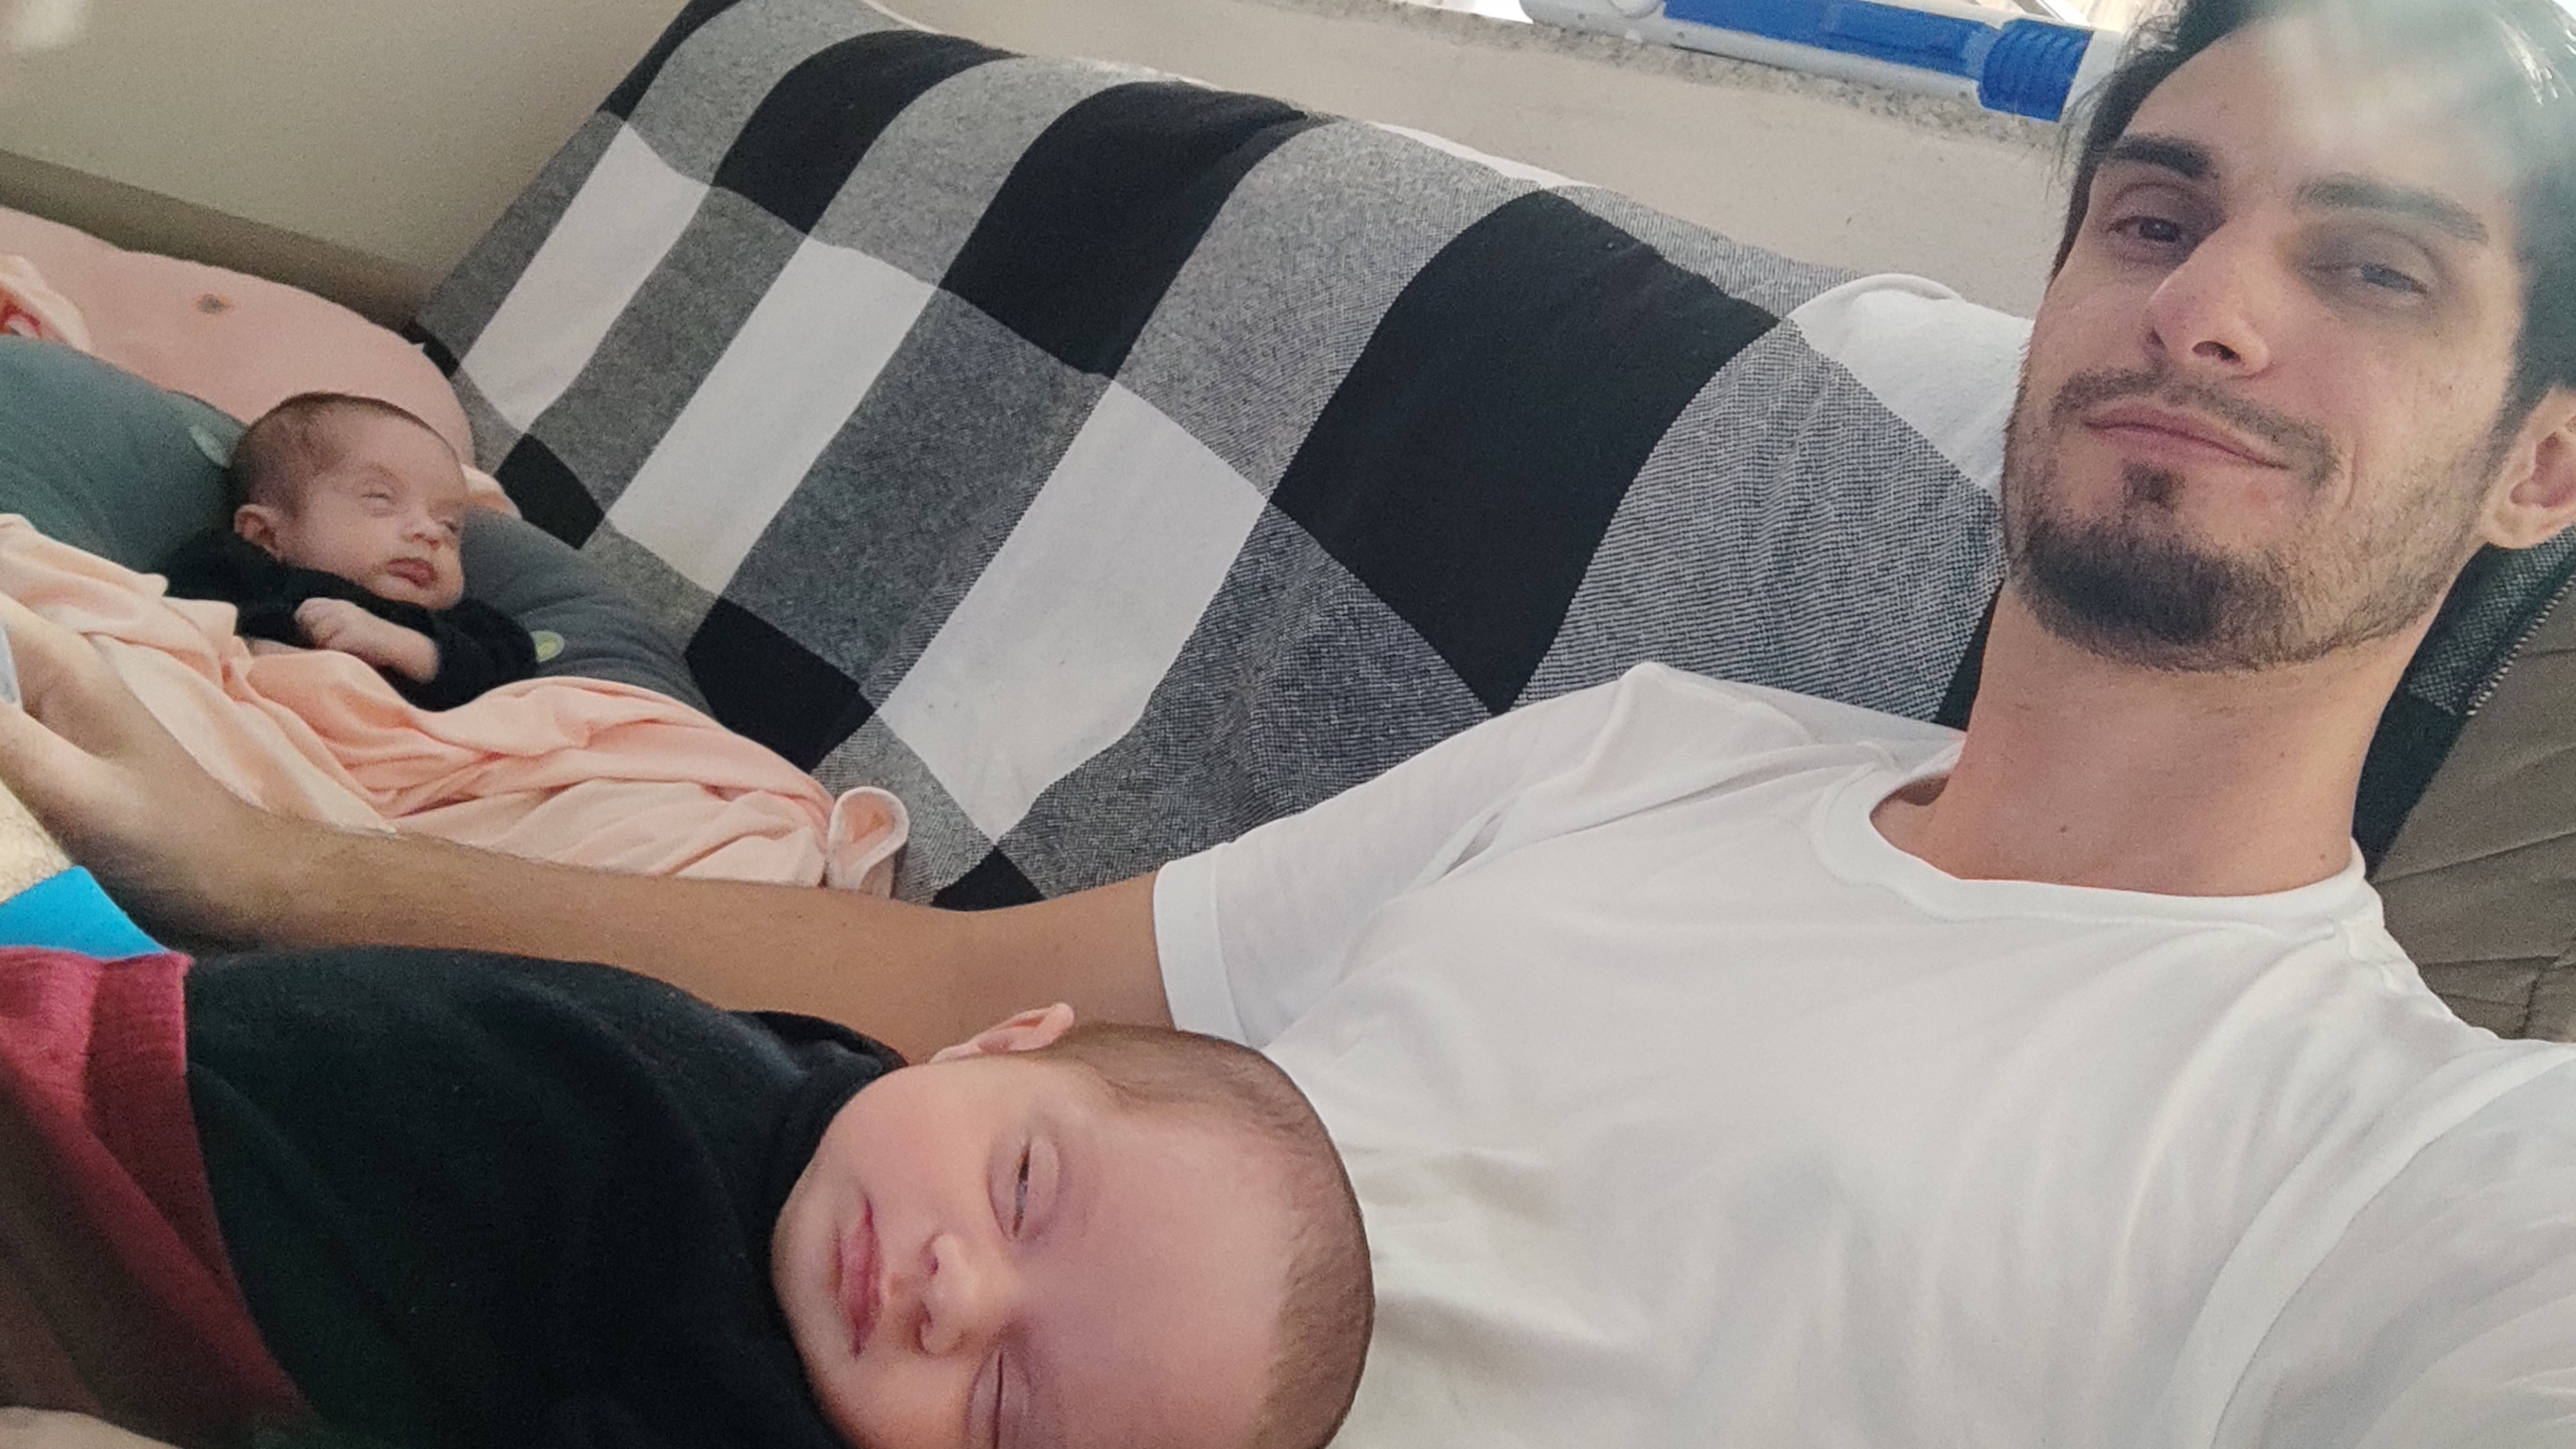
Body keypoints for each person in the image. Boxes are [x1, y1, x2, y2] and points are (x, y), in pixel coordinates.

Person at [0, 0, 2572, 1440]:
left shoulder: (2408, 1174)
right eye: (2154, 215)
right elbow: (942, 987)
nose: (2205, 310)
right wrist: (271, 861)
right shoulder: (1652, 752)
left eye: (2369, 266)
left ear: (2541, 465)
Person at [0, 862, 1371, 1449]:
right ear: (999, 1041)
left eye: (1005, 1409)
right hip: (122, 1099)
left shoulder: (748, 1399)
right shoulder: (831, 1083)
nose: (956, 1291)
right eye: (1021, 1190)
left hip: (133, 1205)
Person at [160, 393, 537, 711]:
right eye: (380, 498)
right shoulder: (238, 569)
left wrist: (409, 648)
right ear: (266, 536)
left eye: (450, 526)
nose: (430, 533)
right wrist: (257, 654)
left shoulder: (465, 626)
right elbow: (181, 623)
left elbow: (510, 677)